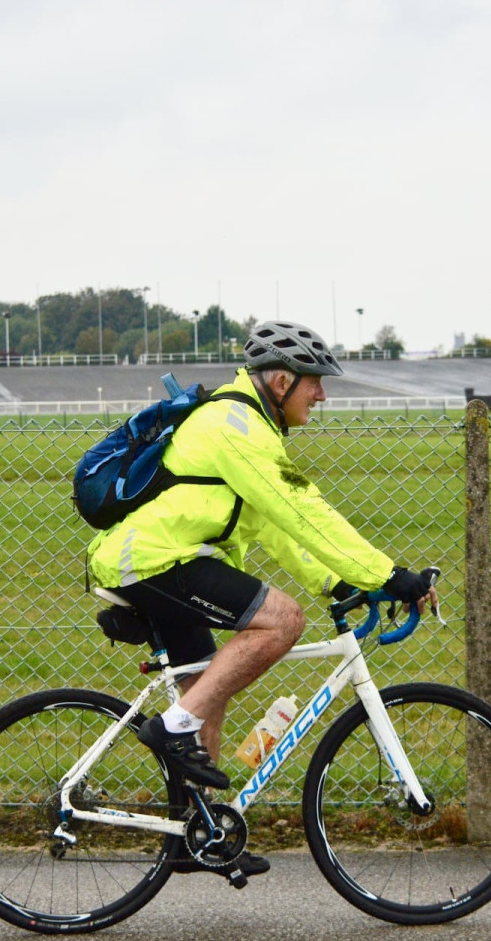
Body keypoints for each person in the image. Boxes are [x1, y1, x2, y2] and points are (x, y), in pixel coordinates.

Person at [85, 320, 437, 875]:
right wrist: (388, 575)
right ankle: (170, 728)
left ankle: (191, 837)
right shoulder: (235, 426)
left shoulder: (251, 426)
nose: (322, 395)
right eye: (314, 382)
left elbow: (276, 526)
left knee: (205, 692)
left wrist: (339, 582)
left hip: (170, 560)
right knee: (281, 621)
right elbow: (305, 509)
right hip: (155, 561)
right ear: (280, 382)